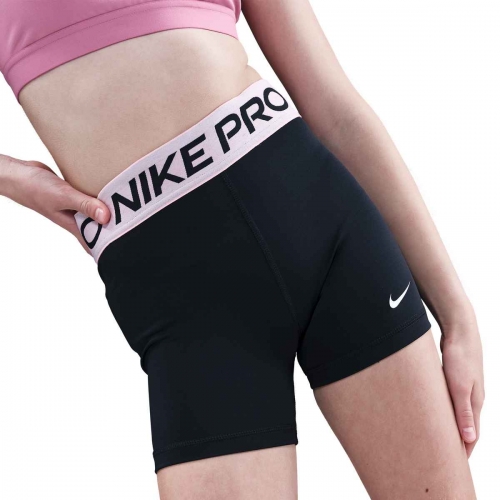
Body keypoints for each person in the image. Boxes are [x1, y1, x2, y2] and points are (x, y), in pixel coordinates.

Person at [0, 1, 484, 498]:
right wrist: (12, 177)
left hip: (326, 231)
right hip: (183, 301)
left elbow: (336, 110)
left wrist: (458, 316)